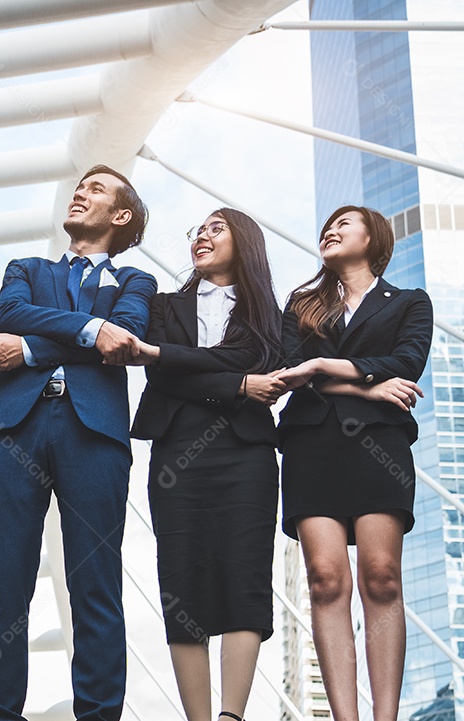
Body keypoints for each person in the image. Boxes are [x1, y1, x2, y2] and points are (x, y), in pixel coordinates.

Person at [0, 165, 157, 721]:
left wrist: (30, 351)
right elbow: (14, 314)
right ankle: (0, 714)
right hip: (12, 427)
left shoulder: (137, 281)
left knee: (95, 581)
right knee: (4, 578)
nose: (79, 193)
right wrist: (92, 329)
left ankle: (98, 715)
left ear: (120, 216)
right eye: (79, 186)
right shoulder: (25, 267)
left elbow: (126, 338)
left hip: (93, 433)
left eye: (95, 189)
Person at [274, 206, 433, 721]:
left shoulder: (410, 303)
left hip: (379, 446)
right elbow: (286, 370)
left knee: (382, 576)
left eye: (344, 224)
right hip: (312, 444)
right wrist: (363, 382)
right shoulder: (303, 305)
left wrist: (322, 365)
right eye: (327, 225)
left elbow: (405, 366)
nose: (331, 231)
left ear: (374, 238)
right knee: (325, 578)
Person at [126, 209, 284, 721]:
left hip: (247, 455)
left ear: (246, 242)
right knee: (181, 578)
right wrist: (237, 384)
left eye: (217, 228)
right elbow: (161, 374)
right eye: (199, 230)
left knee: (247, 575)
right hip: (178, 451)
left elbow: (256, 361)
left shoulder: (270, 313)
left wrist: (175, 356)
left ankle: (231, 717)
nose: (203, 236)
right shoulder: (162, 305)